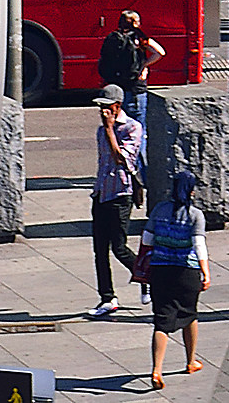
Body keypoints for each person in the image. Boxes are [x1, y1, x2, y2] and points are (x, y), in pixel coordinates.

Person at [141, 169, 211, 391]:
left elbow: (147, 239)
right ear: (191, 191)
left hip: (160, 271)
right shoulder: (195, 215)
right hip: (186, 272)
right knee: (190, 314)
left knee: (161, 321)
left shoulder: (159, 209)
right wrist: (206, 272)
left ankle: (157, 369)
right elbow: (199, 245)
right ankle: (191, 361)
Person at [88, 84, 147, 318]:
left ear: (117, 107)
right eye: (99, 107)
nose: (102, 112)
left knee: (119, 247)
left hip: (121, 194)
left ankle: (147, 277)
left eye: (106, 107)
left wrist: (111, 129)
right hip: (102, 193)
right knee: (99, 250)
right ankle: (107, 298)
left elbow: (122, 159)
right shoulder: (101, 131)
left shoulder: (133, 127)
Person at [100, 10, 165, 121]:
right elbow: (160, 52)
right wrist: (143, 65)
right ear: (136, 22)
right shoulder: (140, 38)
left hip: (117, 86)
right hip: (135, 86)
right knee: (137, 125)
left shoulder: (112, 38)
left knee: (120, 123)